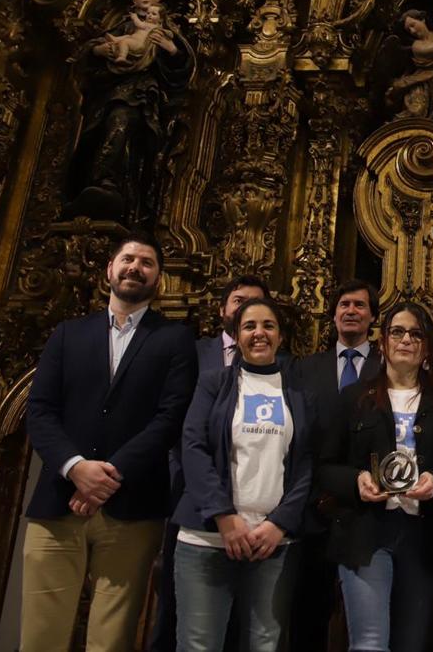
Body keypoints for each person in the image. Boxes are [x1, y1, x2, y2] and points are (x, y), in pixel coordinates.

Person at [22, 231, 197, 652]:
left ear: (158, 278)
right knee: (40, 635)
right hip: (59, 502)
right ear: (110, 269)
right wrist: (76, 468)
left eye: (146, 263)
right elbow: (41, 411)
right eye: (128, 259)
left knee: (112, 639)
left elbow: (170, 418)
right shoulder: (69, 334)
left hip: (132, 506)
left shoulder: (175, 340)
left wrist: (110, 474)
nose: (135, 267)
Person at [315, 302, 433, 652]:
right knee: (369, 643)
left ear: (426, 345)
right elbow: (324, 467)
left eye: (416, 333)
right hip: (366, 531)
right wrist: (357, 482)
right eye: (397, 331)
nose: (406, 340)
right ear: (383, 341)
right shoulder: (355, 398)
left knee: (413, 643)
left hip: (422, 537)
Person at [173, 298, 314, 651]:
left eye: (268, 325)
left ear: (280, 336)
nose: (259, 333)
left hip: (272, 543)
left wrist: (278, 523)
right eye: (250, 326)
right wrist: (225, 517)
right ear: (237, 335)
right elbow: (193, 449)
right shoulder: (212, 383)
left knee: (265, 644)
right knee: (199, 644)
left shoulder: (299, 394)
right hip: (207, 540)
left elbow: (305, 465)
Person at [151, 274, 274, 651]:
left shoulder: (283, 369)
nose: (245, 311)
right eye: (239, 302)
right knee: (177, 615)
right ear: (223, 309)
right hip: (193, 503)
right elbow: (175, 425)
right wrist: (187, 485)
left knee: (248, 628)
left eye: (257, 305)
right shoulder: (192, 353)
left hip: (259, 518)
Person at [288, 279, 383, 650]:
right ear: (333, 314)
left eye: (360, 305)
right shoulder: (305, 368)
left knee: (364, 623)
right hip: (313, 509)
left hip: (367, 508)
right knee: (308, 614)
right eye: (344, 304)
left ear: (373, 316)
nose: (351, 311)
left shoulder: (388, 366)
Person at [67, 0, 194, 226]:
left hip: (144, 94)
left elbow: (183, 65)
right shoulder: (126, 25)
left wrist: (172, 50)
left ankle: (111, 184)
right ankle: (100, 182)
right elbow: (94, 48)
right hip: (112, 92)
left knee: (125, 125)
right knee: (104, 129)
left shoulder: (166, 28)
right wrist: (98, 51)